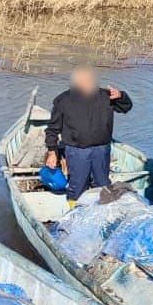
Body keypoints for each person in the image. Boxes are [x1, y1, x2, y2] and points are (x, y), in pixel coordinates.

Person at [46, 67, 132, 205]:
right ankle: (74, 215)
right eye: (85, 81)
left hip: (102, 150)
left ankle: (101, 216)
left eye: (91, 80)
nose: (89, 84)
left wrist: (121, 96)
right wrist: (52, 152)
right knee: (77, 187)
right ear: (76, 84)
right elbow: (52, 129)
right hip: (77, 151)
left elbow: (126, 107)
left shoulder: (107, 96)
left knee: (102, 185)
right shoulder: (63, 100)